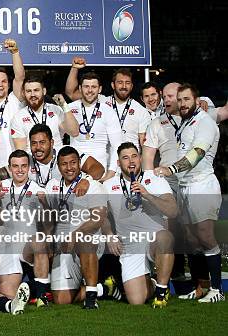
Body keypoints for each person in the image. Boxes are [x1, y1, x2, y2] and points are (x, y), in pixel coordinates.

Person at [154, 84, 224, 303]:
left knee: (205, 235)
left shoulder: (205, 122)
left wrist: (171, 169)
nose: (183, 104)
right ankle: (201, 287)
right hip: (185, 187)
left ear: (196, 100)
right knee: (192, 240)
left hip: (202, 184)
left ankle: (217, 289)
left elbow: (198, 152)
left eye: (187, 100)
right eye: (180, 100)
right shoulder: (187, 122)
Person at [102, 142, 177, 307]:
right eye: (125, 158)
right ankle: (152, 282)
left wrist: (147, 195)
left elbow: (173, 211)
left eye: (134, 156)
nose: (131, 161)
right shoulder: (108, 186)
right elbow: (102, 216)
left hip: (154, 240)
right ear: (118, 163)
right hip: (130, 244)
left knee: (165, 237)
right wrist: (109, 236)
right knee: (136, 301)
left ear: (141, 158)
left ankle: (161, 291)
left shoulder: (155, 179)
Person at [45, 146, 107, 309]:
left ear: (80, 163)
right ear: (58, 167)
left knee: (84, 241)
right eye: (64, 164)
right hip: (63, 244)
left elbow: (98, 218)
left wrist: (74, 236)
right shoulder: (52, 186)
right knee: (62, 300)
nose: (69, 167)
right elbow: (48, 217)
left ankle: (91, 298)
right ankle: (104, 289)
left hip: (89, 240)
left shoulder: (92, 185)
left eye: (73, 163)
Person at [0, 150, 48, 302]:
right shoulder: (0, 187)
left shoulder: (38, 190)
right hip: (6, 245)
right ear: (9, 168)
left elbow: (49, 221)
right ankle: (32, 291)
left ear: (29, 167)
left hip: (27, 244)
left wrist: (45, 205)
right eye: (15, 166)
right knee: (9, 296)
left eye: (23, 166)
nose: (20, 170)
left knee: (39, 241)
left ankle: (42, 296)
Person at [65, 58, 152, 150]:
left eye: (127, 83)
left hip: (129, 159)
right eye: (120, 82)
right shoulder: (101, 100)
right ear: (113, 85)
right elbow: (71, 93)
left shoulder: (141, 110)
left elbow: (145, 144)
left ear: (132, 86)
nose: (124, 86)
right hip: (105, 159)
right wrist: (75, 68)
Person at [66, 72, 122, 181]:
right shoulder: (69, 109)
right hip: (73, 168)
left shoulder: (108, 111)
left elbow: (117, 145)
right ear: (80, 88)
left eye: (94, 87)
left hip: (101, 171)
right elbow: (57, 138)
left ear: (100, 89)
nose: (90, 90)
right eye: (86, 86)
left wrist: (110, 173)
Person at [0, 38, 26, 176]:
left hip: (14, 167)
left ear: (8, 84)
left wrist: (14, 52)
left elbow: (19, 77)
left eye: (4, 81)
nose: (1, 84)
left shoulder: (15, 100)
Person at [11, 79, 79, 152]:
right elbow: (21, 151)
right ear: (23, 93)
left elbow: (74, 132)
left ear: (44, 91)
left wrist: (64, 106)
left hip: (56, 159)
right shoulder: (18, 117)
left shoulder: (56, 110)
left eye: (36, 90)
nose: (32, 94)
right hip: (33, 161)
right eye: (28, 91)